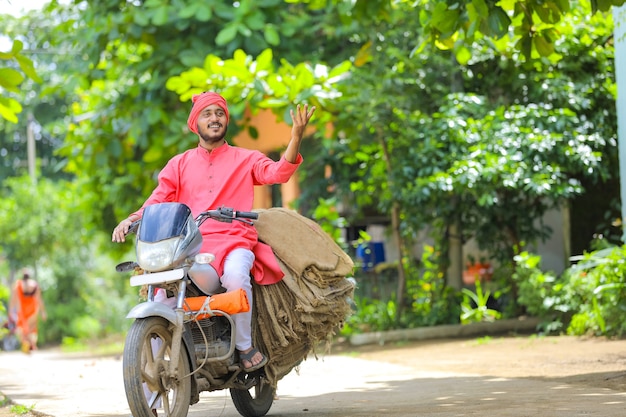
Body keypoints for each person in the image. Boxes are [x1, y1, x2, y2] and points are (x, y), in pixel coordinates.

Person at [112, 91, 315, 372]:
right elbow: (158, 199)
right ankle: (150, 380)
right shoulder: (179, 163)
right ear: (196, 123)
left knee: (235, 276)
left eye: (219, 113)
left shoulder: (246, 158)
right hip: (189, 247)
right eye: (207, 114)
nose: (214, 118)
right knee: (161, 294)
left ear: (226, 121)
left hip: (234, 242)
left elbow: (278, 173)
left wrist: (296, 137)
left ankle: (244, 346)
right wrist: (132, 219)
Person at [9, 268, 47, 353]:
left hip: (22, 310)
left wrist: (11, 311)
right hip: (33, 310)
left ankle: (27, 344)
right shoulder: (34, 285)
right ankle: (31, 344)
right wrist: (43, 311)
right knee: (31, 328)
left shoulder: (18, 285)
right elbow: (39, 300)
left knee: (22, 328)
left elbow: (13, 299)